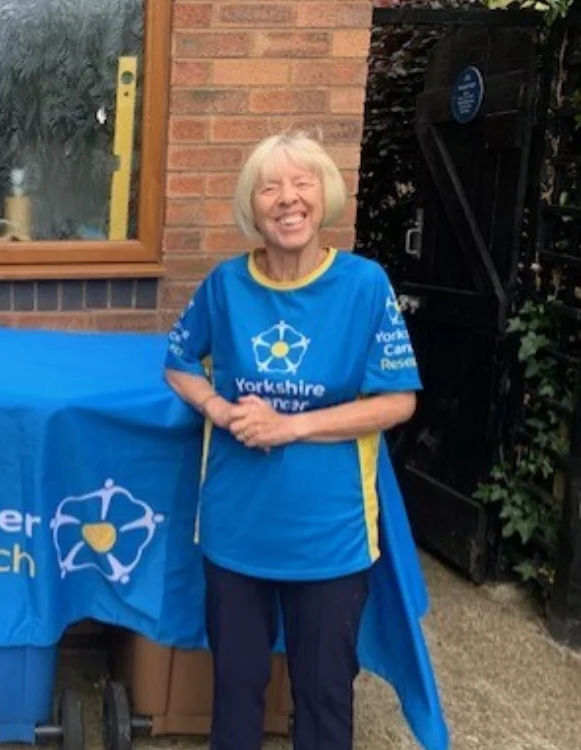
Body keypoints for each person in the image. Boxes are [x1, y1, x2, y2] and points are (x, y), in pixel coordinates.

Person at [163, 131, 421, 750]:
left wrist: (291, 426)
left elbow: (398, 402)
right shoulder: (226, 285)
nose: (288, 199)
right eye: (270, 188)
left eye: (302, 183)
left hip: (331, 539)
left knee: (325, 699)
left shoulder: (364, 286)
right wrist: (220, 408)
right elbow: (177, 361)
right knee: (235, 694)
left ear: (323, 195)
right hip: (236, 532)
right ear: (252, 208)